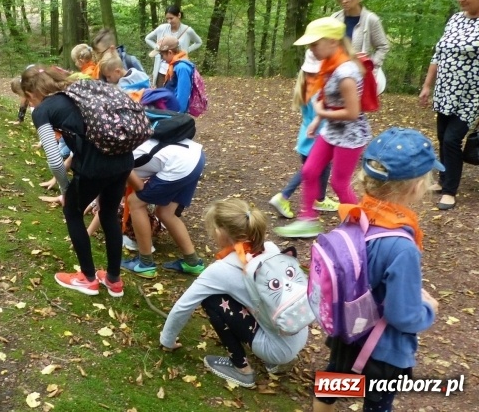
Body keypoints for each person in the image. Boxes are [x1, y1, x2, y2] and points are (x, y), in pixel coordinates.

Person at [312, 127, 441, 412]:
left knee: (331, 383)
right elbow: (403, 316)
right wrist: (427, 308)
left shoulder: (355, 216)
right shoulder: (402, 247)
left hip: (346, 331)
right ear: (416, 186)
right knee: (377, 403)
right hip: (383, 351)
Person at [160, 199, 308, 388]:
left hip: (276, 348)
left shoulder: (219, 271)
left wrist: (167, 340)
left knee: (212, 300)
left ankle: (242, 369)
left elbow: (183, 306)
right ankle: (274, 361)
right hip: (298, 331)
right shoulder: (271, 248)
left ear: (221, 232)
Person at [20, 65, 133, 297]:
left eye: (27, 99)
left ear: (31, 94)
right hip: (123, 160)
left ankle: (88, 278)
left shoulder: (43, 110)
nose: (29, 104)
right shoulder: (81, 90)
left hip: (94, 167)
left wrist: (65, 188)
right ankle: (113, 280)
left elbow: (53, 159)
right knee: (109, 213)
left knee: (72, 212)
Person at [275, 17, 371, 238]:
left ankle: (360, 226)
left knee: (339, 183)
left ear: (332, 42)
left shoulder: (346, 72)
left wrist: (321, 114)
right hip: (331, 129)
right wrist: (319, 121)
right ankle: (307, 219)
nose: (311, 49)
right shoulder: (330, 65)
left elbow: (353, 113)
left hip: (350, 134)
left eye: (314, 44)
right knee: (309, 170)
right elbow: (330, 100)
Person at [419, 0, 479, 211]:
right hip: (445, 92)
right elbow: (438, 53)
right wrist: (427, 85)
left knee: (453, 139)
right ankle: (444, 178)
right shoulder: (455, 19)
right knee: (443, 137)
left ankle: (450, 190)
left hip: (471, 95)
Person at [121, 137, 206, 278]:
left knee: (135, 203)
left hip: (179, 164)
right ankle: (193, 263)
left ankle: (145, 264)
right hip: (196, 155)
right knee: (166, 212)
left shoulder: (116, 158)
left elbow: (139, 186)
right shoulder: (116, 142)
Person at [269, 50, 338, 219]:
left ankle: (320, 199)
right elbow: (321, 118)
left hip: (306, 137)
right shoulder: (318, 91)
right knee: (308, 170)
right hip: (317, 139)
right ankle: (283, 196)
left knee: (323, 168)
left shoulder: (305, 86)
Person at [331, 0, 389, 92]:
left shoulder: (371, 19)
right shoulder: (335, 18)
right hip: (335, 71)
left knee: (356, 108)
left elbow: (383, 46)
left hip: (359, 75)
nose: (344, 1)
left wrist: (371, 66)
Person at [145, 5, 202, 87]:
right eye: (167, 19)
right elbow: (148, 38)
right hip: (162, 69)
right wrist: (159, 50)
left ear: (179, 15)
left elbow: (199, 42)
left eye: (171, 18)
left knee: (175, 92)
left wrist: (186, 50)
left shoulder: (188, 31)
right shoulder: (162, 28)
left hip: (178, 67)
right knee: (161, 94)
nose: (169, 21)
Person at [149, 36, 195, 114]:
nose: (162, 59)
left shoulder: (182, 68)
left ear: (170, 52)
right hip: (170, 110)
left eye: (162, 55)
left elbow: (183, 96)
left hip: (176, 114)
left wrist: (176, 115)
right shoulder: (174, 65)